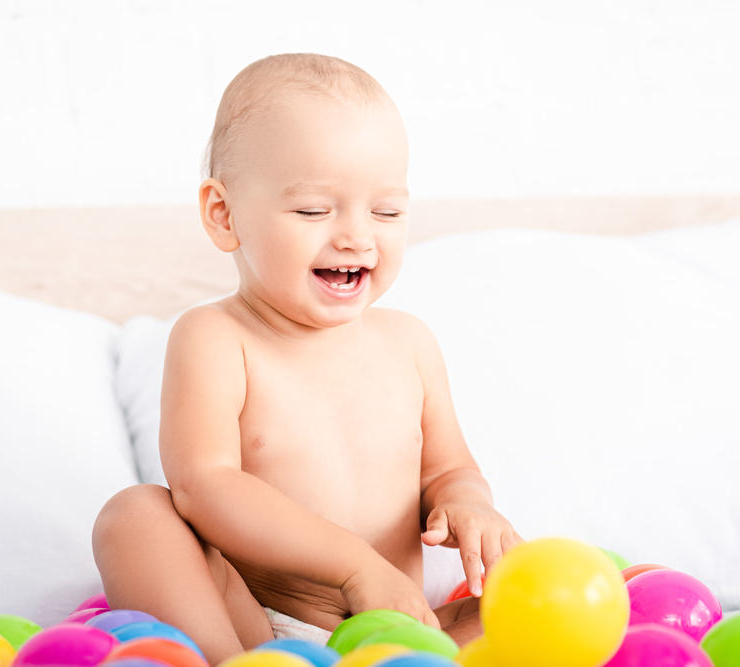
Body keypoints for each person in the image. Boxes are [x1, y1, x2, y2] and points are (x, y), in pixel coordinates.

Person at [91, 52, 523, 665]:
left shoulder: (410, 343)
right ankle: (221, 661)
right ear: (224, 214)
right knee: (133, 516)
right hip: (256, 622)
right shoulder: (215, 337)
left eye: (387, 211)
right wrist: (352, 567)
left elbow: (447, 469)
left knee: (566, 584)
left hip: (407, 626)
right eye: (315, 210)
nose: (356, 235)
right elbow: (203, 486)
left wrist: (469, 505)